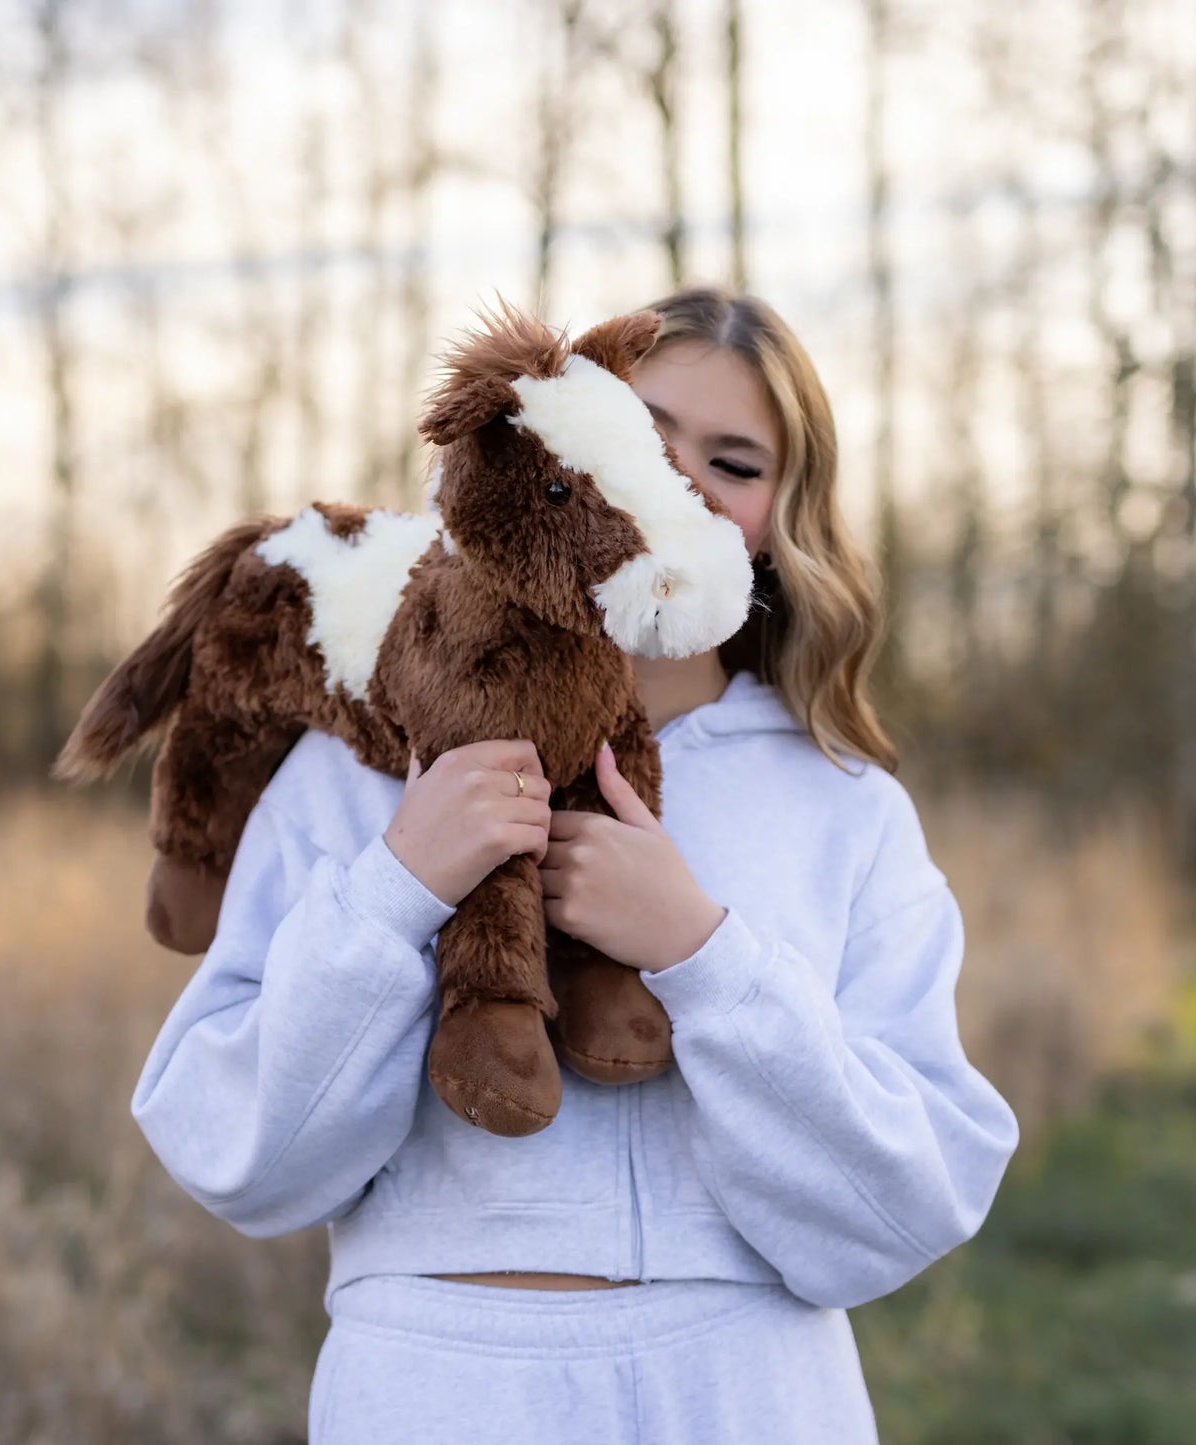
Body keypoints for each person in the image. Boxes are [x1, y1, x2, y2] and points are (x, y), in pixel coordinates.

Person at [130, 286, 1020, 1443]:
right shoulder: (360, 766)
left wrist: (703, 958)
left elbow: (907, 1201)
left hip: (742, 1393)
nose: (683, 483)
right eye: (643, 437)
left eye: (735, 461)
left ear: (777, 517)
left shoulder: (842, 808)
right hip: (435, 1387)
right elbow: (232, 1147)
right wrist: (397, 885)